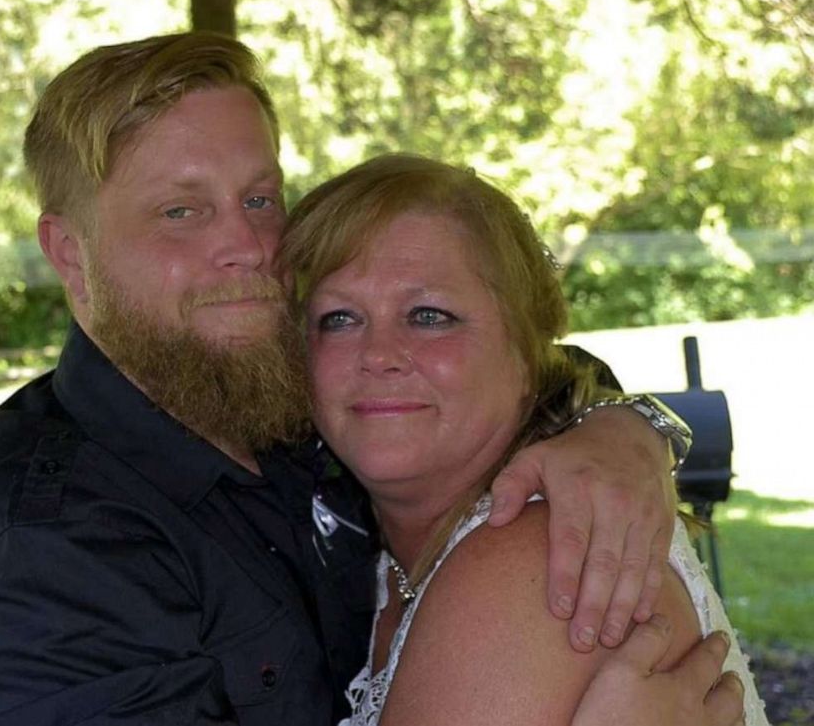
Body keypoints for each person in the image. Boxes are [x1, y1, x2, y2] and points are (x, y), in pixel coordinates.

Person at [0, 33, 740, 726]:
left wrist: (629, 429)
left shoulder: (270, 394)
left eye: (259, 199)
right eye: (181, 211)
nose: (247, 244)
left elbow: (482, 375)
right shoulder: (45, 563)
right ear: (70, 255)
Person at [281, 153, 766, 725]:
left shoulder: (531, 566)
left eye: (429, 315)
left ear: (529, 350)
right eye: (338, 318)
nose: (379, 355)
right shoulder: (378, 555)